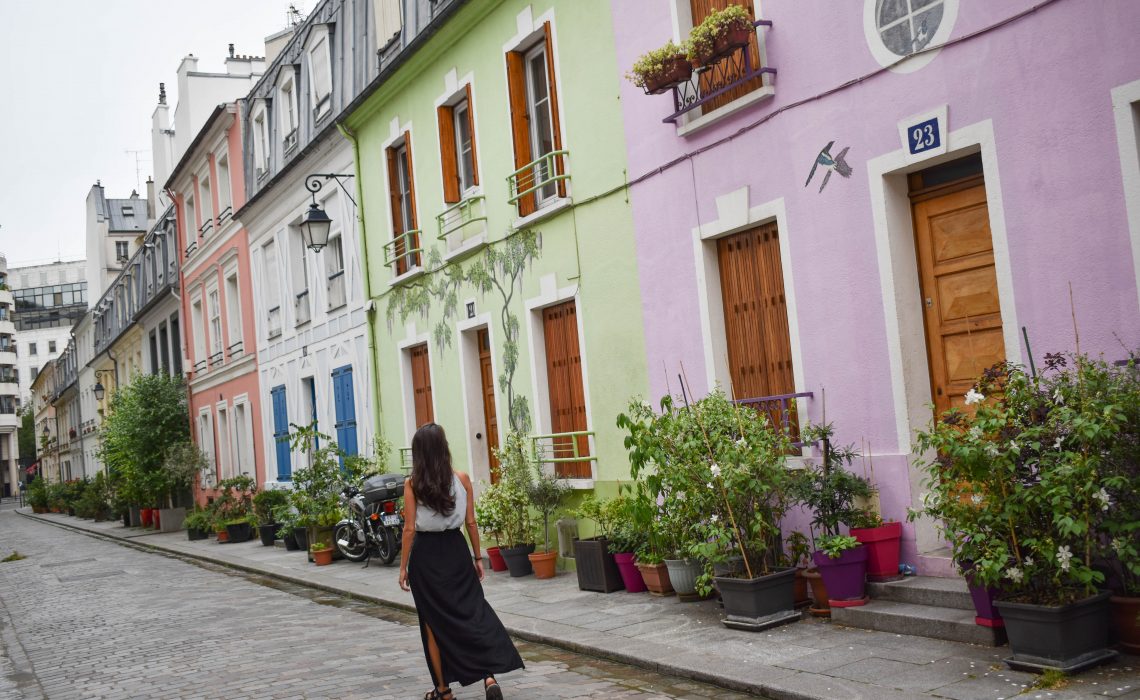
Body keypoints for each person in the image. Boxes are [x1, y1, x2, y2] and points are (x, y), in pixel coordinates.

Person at [399, 423, 523, 700]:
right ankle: (488, 676)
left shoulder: (412, 484)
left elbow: (409, 529)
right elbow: (471, 522)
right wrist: (478, 557)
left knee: (431, 621)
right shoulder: (462, 478)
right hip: (457, 550)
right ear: (443, 449)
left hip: (426, 556)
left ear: (419, 453)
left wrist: (403, 566)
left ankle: (443, 691)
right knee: (473, 613)